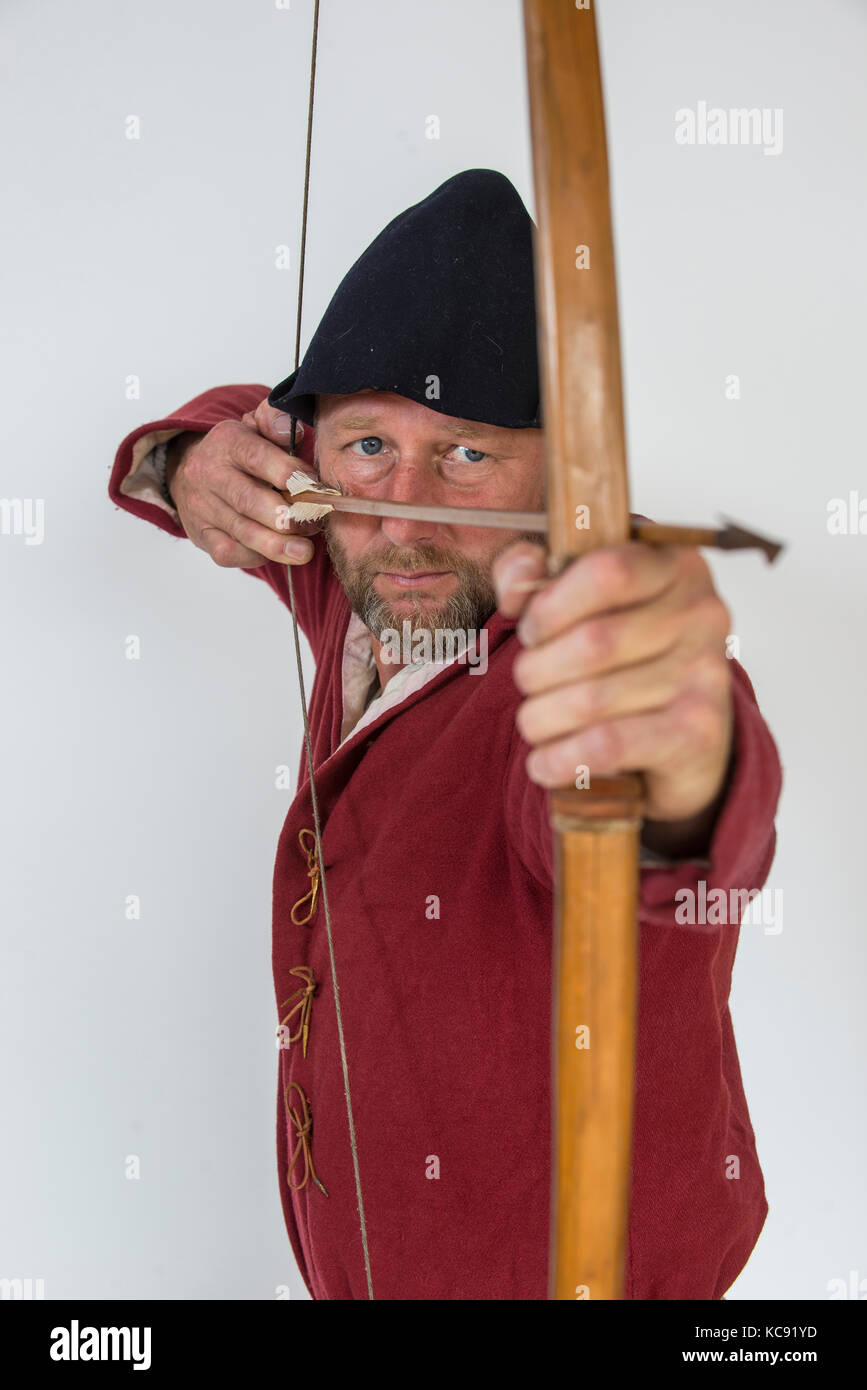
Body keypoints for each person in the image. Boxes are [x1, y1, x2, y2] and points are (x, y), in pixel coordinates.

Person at [108, 169, 782, 1300]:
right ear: (310, 457)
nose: (406, 507)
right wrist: (193, 459)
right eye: (368, 445)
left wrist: (678, 739)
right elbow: (229, 429)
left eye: (469, 454)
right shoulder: (356, 574)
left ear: (564, 483)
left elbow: (664, 826)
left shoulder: (564, 667)